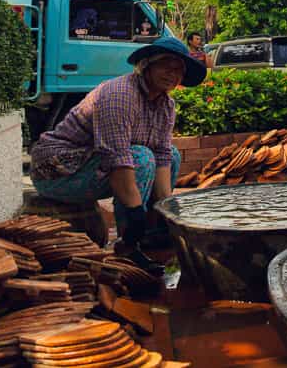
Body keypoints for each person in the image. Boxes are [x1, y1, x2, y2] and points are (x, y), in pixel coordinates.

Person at [29, 37, 206, 259]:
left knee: (172, 154)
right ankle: (128, 243)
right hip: (57, 173)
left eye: (178, 70)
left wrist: (168, 214)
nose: (172, 74)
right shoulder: (120, 95)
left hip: (94, 164)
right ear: (147, 65)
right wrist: (134, 215)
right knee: (140, 158)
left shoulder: (166, 105)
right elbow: (117, 159)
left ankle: (152, 233)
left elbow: (162, 156)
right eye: (165, 66)